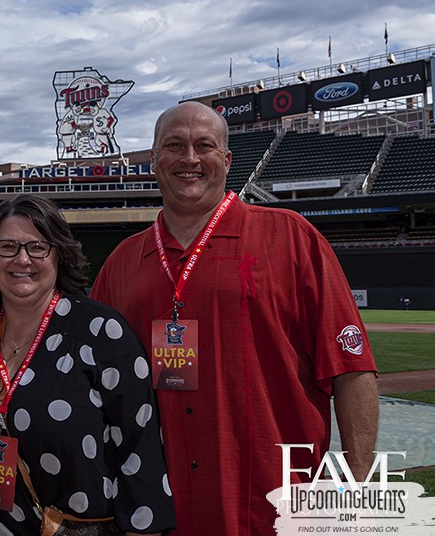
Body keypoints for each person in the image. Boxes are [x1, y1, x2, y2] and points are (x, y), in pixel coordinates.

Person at [90, 101, 379, 535]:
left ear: (225, 161)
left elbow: (351, 368)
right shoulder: (122, 262)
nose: (189, 158)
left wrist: (358, 491)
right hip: (156, 511)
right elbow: (79, 361)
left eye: (203, 145)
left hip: (272, 505)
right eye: (174, 146)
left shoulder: (292, 236)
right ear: (153, 160)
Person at [0, 194, 175, 535]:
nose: (22, 259)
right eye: (7, 246)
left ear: (59, 255)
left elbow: (140, 459)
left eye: (37, 247)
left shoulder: (102, 334)